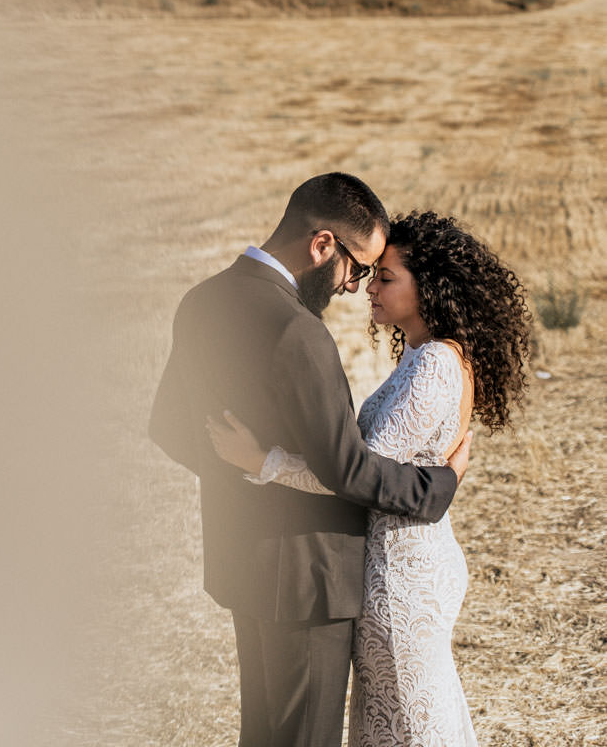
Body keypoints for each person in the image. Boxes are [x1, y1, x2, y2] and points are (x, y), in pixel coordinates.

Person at [149, 173, 471, 747]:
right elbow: (344, 469)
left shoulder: (202, 300)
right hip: (312, 582)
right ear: (322, 245)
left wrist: (247, 479)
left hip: (242, 566)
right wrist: (437, 487)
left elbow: (170, 429)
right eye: (358, 267)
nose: (355, 286)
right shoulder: (297, 330)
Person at [208, 210, 530, 746]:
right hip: (399, 561)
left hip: (403, 579)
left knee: (413, 727)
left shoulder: (433, 367)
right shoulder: (424, 356)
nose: (368, 289)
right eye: (372, 275)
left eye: (385, 278)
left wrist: (263, 462)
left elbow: (353, 473)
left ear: (429, 288)